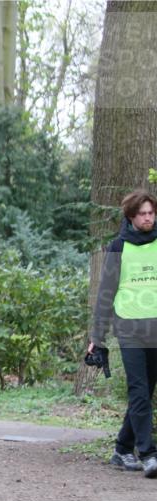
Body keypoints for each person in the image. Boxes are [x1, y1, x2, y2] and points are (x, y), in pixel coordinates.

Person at [88, 189, 157, 478]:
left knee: (145, 394)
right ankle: (150, 454)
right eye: (142, 213)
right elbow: (105, 292)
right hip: (129, 328)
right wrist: (98, 335)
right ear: (130, 217)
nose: (148, 218)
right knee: (139, 391)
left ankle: (122, 448)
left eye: (152, 213)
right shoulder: (118, 247)